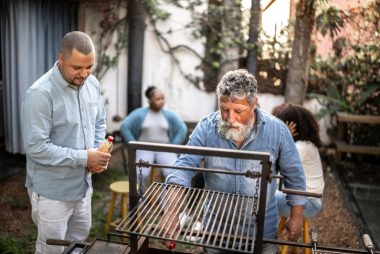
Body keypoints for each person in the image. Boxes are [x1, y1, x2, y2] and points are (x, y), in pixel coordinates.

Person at [163, 69, 307, 254]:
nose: (230, 119)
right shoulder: (206, 128)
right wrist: (171, 212)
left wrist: (296, 218)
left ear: (254, 104)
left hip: (261, 232)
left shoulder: (277, 131)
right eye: (224, 110)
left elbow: (294, 176)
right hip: (215, 231)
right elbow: (182, 169)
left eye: (238, 111)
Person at [21, 31, 111, 254]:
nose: (84, 73)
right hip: (52, 193)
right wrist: (84, 157)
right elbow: (36, 148)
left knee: (78, 244)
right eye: (77, 67)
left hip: (84, 187)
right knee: (51, 249)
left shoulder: (93, 84)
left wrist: (97, 153)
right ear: (61, 58)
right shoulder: (40, 94)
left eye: (89, 66)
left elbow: (100, 121)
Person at [120, 86, 187, 187]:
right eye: (158, 99)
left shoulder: (168, 114)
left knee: (173, 173)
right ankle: (139, 200)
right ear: (150, 100)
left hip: (165, 149)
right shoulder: (139, 113)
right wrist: (133, 143)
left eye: (162, 98)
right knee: (140, 172)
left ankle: (167, 202)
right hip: (144, 149)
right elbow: (124, 126)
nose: (161, 101)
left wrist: (174, 145)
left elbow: (183, 128)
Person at [273, 103, 324, 218]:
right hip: (305, 199)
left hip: (308, 204)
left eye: (282, 127)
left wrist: (285, 136)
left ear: (293, 127)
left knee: (259, 200)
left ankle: (259, 233)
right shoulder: (306, 144)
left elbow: (274, 163)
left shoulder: (301, 147)